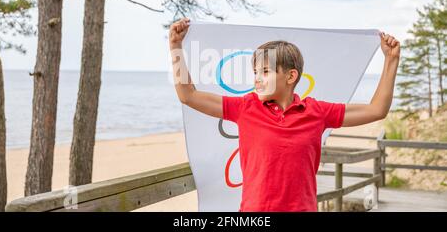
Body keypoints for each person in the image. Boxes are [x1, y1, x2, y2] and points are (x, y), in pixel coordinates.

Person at [169, 17, 400, 212]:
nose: (257, 78)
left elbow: (376, 109)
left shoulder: (317, 112)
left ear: (290, 77)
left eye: (266, 71)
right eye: (256, 72)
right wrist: (175, 47)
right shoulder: (246, 107)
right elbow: (188, 95)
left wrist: (391, 60)